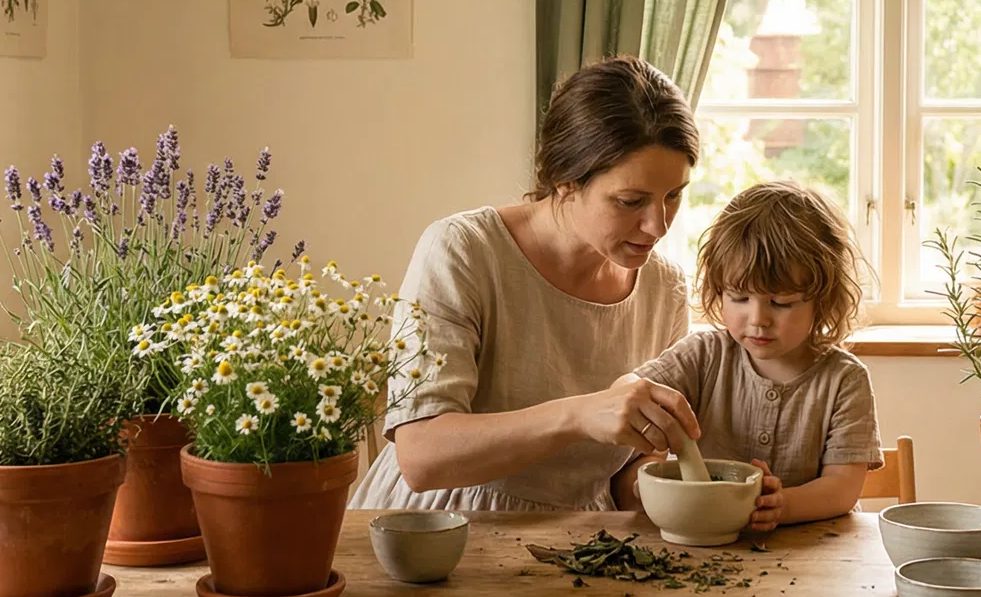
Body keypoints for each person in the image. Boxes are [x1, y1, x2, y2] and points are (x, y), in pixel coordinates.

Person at [350, 56, 705, 511]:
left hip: (581, 541)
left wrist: (665, 488)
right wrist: (579, 415)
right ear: (564, 180)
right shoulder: (464, 251)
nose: (658, 226)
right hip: (437, 531)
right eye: (630, 201)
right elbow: (422, 456)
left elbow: (627, 472)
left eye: (674, 195)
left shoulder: (665, 290)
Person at [618, 182, 882, 532]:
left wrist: (783, 506)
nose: (758, 319)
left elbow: (842, 488)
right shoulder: (704, 355)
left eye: (781, 302)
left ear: (824, 300)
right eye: (739, 298)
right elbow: (628, 391)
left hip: (809, 554)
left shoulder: (844, 380)